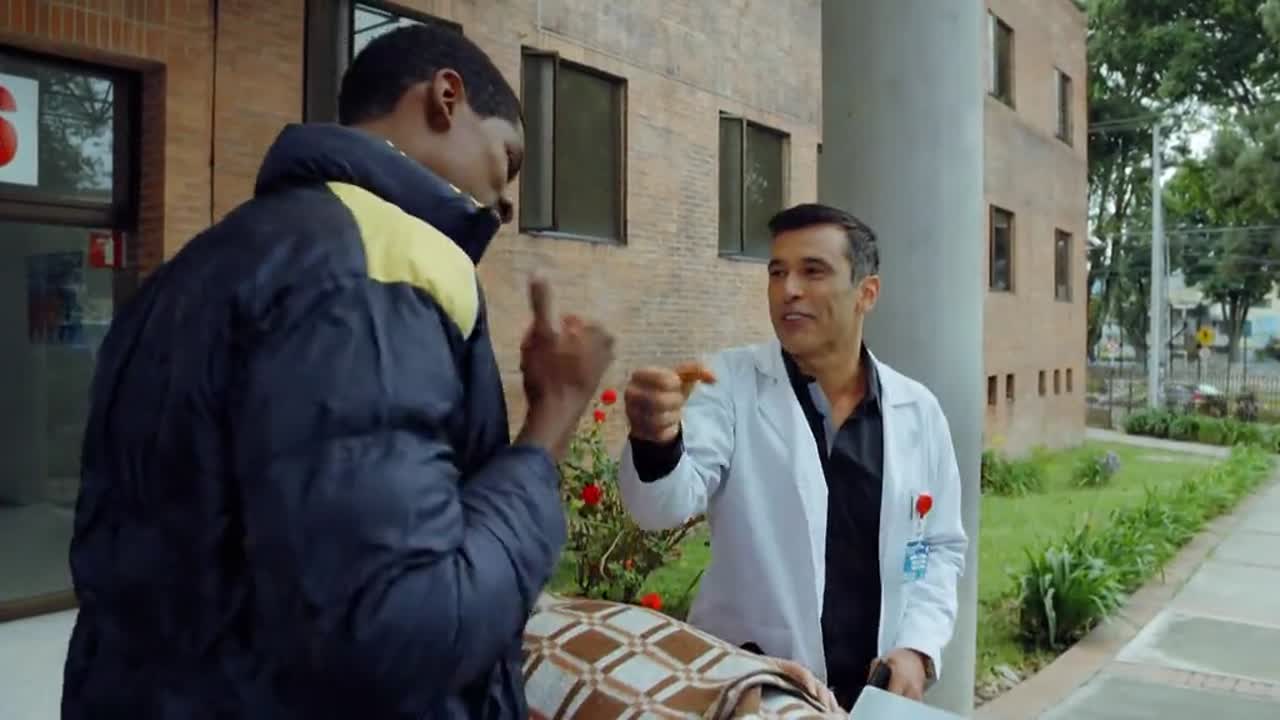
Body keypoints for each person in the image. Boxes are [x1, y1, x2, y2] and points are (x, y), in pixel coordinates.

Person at [62, 24, 614, 719]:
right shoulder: (387, 259)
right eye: (508, 159)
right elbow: (404, 632)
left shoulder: (187, 272)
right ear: (446, 98)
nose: (505, 205)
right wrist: (555, 412)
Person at [617, 203, 967, 710]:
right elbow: (660, 508)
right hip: (755, 691)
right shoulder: (728, 383)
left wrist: (918, 648)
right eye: (777, 272)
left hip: (873, 696)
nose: (789, 290)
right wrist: (656, 440)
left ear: (866, 293)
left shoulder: (919, 411)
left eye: (813, 271)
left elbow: (940, 548)